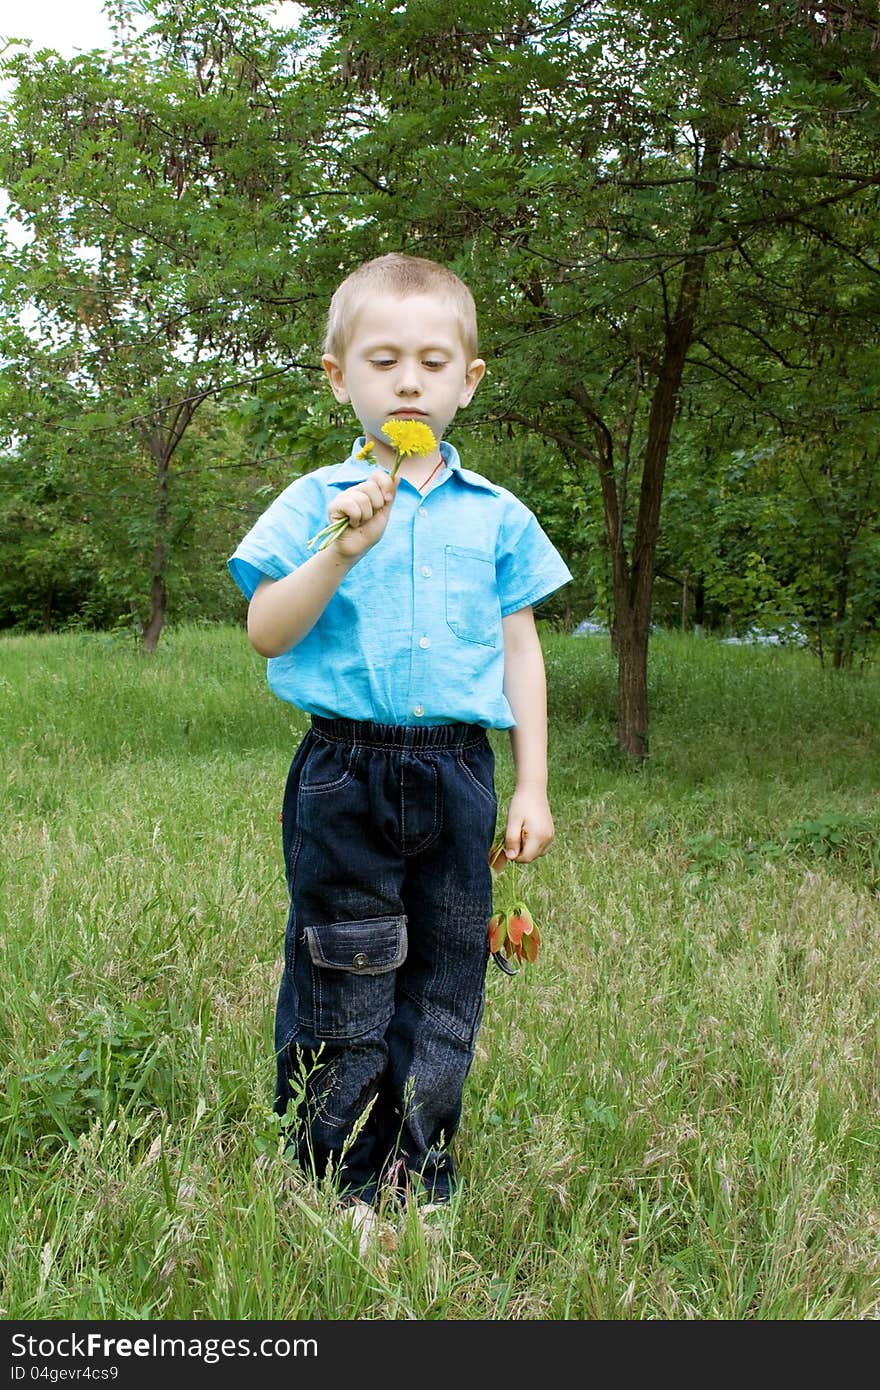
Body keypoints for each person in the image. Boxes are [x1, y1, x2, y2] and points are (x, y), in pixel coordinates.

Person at [227, 252, 571, 1217]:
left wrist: (532, 784)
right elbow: (267, 631)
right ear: (340, 377)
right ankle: (337, 1176)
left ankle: (418, 1175)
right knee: (348, 964)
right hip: (344, 768)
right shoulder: (313, 503)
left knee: (447, 974)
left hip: (459, 768)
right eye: (383, 361)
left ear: (469, 379)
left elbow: (521, 652)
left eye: (431, 361)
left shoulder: (496, 516)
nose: (408, 381)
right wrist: (341, 549)